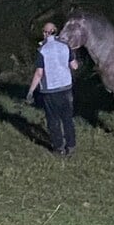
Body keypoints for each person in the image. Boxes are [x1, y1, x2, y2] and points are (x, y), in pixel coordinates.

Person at [25, 22, 79, 156]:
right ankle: (71, 146)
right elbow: (75, 66)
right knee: (67, 118)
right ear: (56, 32)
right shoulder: (65, 46)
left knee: (53, 120)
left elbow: (39, 73)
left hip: (50, 90)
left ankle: (59, 148)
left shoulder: (43, 50)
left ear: (45, 33)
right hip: (66, 87)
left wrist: (31, 91)